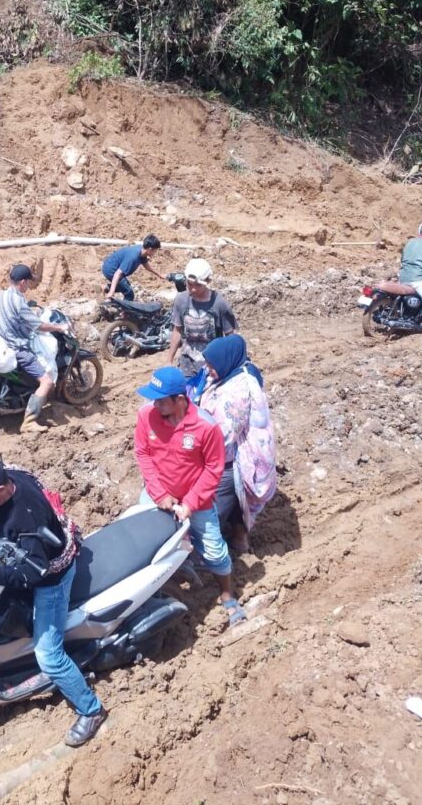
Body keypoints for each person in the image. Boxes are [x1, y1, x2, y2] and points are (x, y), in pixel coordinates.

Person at [0, 456, 108, 748]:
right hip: (36, 545)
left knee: (48, 655)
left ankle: (91, 709)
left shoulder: (25, 518)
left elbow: (36, 571)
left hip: (52, 576)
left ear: (2, 492)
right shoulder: (10, 473)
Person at [134, 366, 247, 627]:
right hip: (156, 493)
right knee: (144, 545)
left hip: (196, 500)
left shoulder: (206, 427)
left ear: (180, 401)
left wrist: (190, 504)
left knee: (215, 553)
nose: (154, 404)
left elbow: (213, 470)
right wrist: (159, 493)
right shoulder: (146, 416)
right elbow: (143, 454)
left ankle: (228, 596)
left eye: (161, 400)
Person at [198, 336, 277, 555]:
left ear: (225, 361)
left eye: (211, 365)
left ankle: (215, 551)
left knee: (217, 505)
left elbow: (223, 434)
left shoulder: (237, 390)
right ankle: (238, 533)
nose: (207, 369)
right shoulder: (229, 373)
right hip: (225, 452)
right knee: (233, 499)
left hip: (234, 456)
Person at [0, 264, 68, 433]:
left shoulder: (1, 295)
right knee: (47, 381)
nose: (29, 286)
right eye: (29, 283)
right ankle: (29, 421)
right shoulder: (19, 301)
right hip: (16, 347)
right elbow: (39, 325)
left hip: (1, 341)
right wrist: (58, 328)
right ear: (23, 282)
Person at [166, 258, 237, 378]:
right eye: (190, 284)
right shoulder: (181, 300)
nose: (193, 289)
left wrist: (233, 364)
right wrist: (169, 361)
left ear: (208, 280)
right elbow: (177, 331)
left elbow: (231, 337)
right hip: (187, 363)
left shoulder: (219, 303)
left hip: (212, 365)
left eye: (198, 285)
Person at [101, 234, 166, 301]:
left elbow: (146, 265)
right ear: (150, 250)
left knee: (126, 286)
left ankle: (106, 287)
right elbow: (118, 273)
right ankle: (125, 311)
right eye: (155, 250)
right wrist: (111, 292)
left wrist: (159, 275)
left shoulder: (142, 252)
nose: (155, 253)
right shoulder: (133, 257)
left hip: (110, 266)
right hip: (110, 269)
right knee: (129, 293)